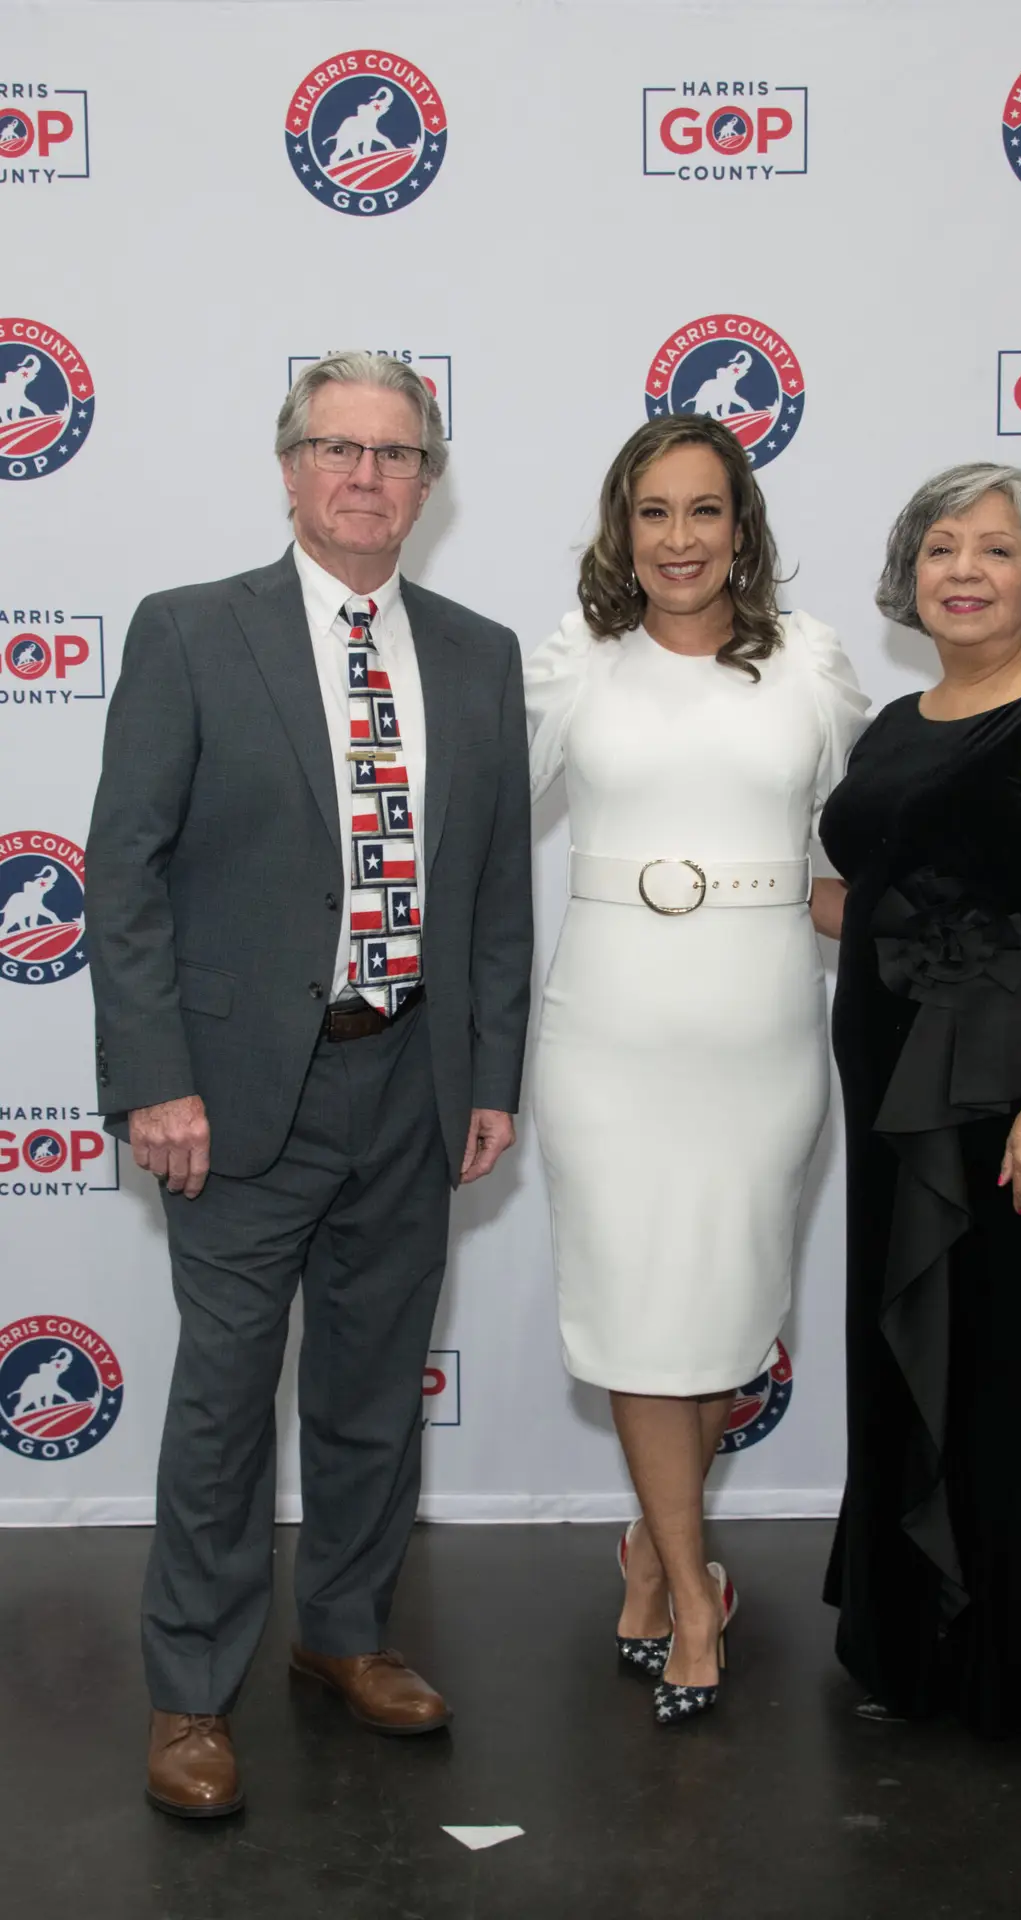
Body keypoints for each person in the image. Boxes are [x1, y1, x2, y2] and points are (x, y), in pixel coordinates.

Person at [85, 352, 532, 1818]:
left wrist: (491, 1073)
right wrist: (156, 1078)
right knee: (225, 1404)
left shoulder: (478, 654)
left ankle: (343, 1634)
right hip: (234, 1095)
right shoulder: (191, 631)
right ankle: (190, 1693)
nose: (366, 476)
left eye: (396, 454)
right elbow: (125, 875)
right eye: (338, 448)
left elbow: (496, 894)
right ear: (289, 469)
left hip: (414, 1077)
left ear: (430, 482)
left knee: (371, 1392)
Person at [525, 414, 868, 1725]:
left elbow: (868, 837)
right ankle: (691, 1592)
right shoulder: (576, 659)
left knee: (719, 1317)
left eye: (704, 510)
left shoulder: (811, 664)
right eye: (654, 512)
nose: (679, 539)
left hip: (758, 1035)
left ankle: (652, 1553)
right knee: (634, 1312)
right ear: (623, 529)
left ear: (742, 528)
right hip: (607, 1035)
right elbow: (473, 819)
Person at [814, 462, 1021, 1812]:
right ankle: (928, 1647)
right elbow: (870, 892)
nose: (964, 570)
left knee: (1010, 1377)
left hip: (1004, 1096)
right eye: (941, 546)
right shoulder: (896, 723)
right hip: (887, 1079)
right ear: (912, 574)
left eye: (996, 550)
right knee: (903, 1357)